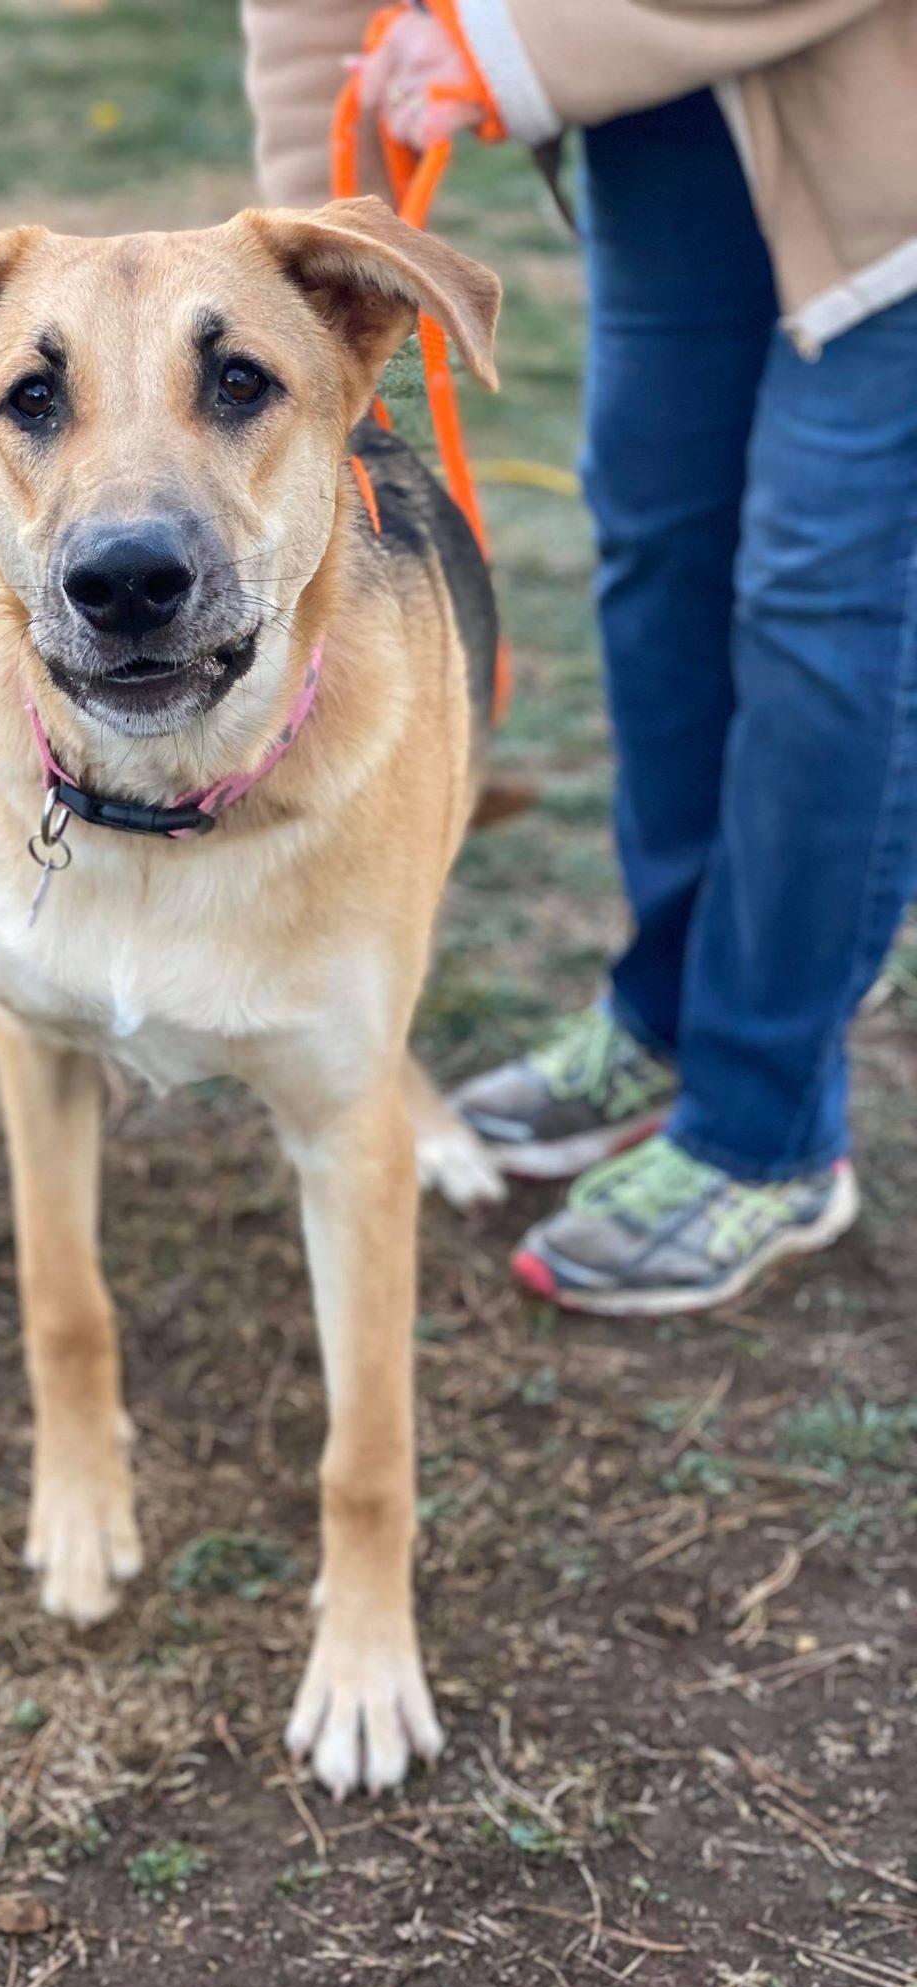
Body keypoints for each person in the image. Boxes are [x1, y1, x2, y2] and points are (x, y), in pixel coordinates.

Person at [242, 0, 917, 1315]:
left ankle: (765, 1121)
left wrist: (514, 47)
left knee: (820, 607)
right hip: (650, 110)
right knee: (658, 556)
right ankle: (671, 1007)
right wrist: (314, 294)